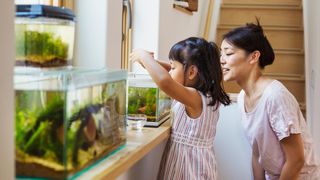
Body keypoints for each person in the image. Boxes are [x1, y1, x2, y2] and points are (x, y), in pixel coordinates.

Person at [220, 21, 320, 180]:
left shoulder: (275, 96)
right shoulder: (242, 97)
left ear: (254, 56)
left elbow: (296, 161)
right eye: (221, 54)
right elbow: (257, 153)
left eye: (229, 53)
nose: (222, 60)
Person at [130, 37, 231, 180]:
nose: (169, 71)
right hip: (195, 163)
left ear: (191, 72)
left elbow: (165, 81)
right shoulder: (204, 95)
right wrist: (152, 63)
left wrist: (144, 56)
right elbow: (171, 73)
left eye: (172, 67)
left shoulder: (195, 97)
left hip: (189, 168)